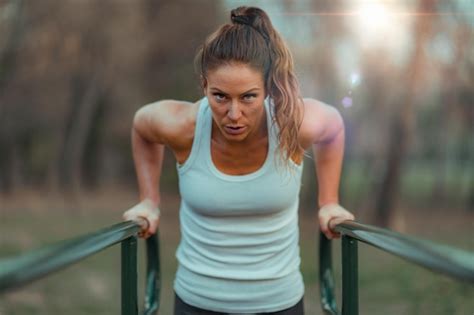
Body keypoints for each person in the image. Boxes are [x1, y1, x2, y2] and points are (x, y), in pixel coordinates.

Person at [123, 6, 354, 315]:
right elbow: (142, 126)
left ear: (268, 89)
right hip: (195, 303)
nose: (233, 114)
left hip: (280, 304)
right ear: (204, 86)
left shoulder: (293, 123)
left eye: (248, 97)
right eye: (220, 96)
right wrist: (148, 201)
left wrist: (329, 202)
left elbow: (335, 127)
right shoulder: (185, 126)